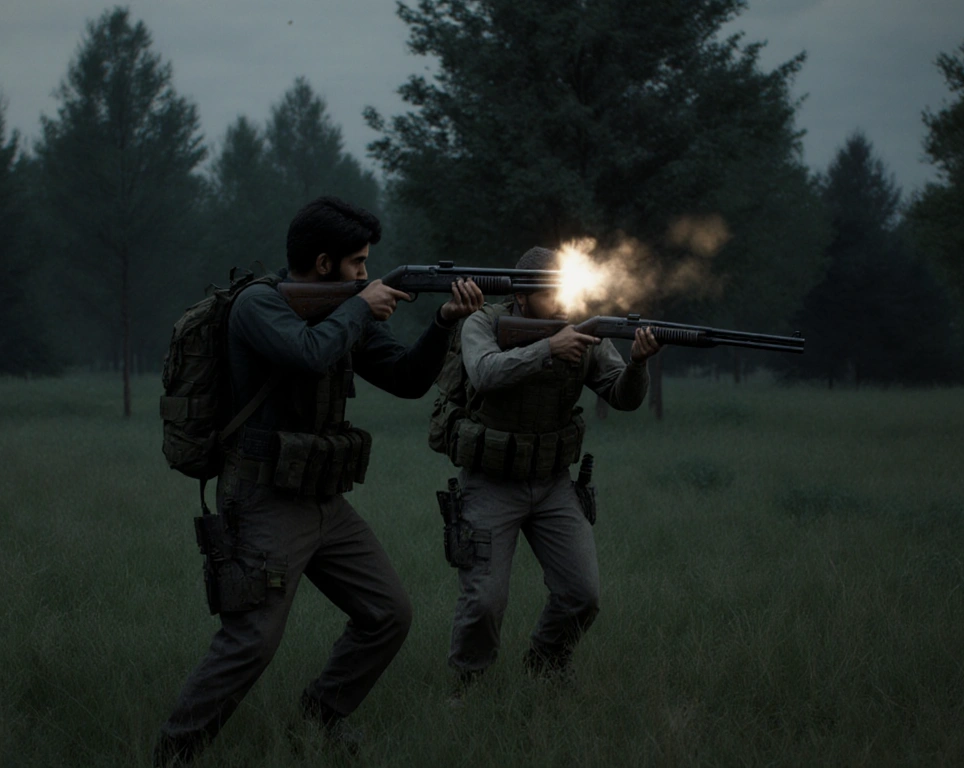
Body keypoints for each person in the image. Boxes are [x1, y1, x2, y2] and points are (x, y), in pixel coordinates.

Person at [154, 196, 484, 764]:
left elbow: (406, 379)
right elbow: (308, 353)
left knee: (387, 615)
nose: (366, 274)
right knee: (251, 640)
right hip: (262, 497)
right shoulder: (259, 304)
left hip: (323, 498)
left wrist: (442, 322)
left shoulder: (342, 308)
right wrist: (359, 307)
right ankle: (175, 752)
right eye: (358, 263)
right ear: (325, 263)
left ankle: (318, 720)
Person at [440, 246, 660, 697]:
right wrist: (548, 348)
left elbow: (623, 396)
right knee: (484, 601)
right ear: (521, 296)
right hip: (491, 481)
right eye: (551, 291)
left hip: (554, 482)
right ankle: (469, 686)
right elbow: (483, 373)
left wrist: (638, 364)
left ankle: (546, 664)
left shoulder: (586, 330)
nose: (564, 301)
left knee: (583, 594)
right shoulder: (482, 321)